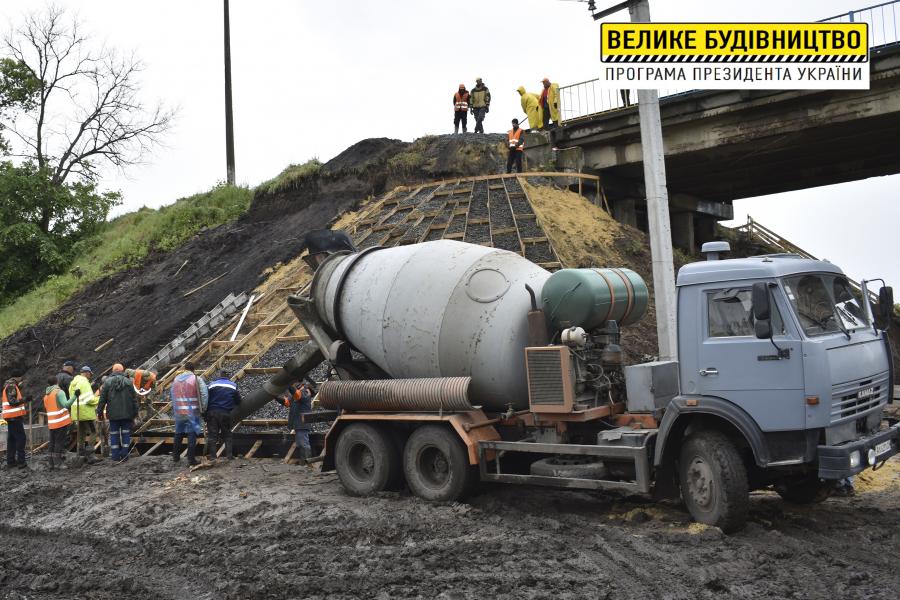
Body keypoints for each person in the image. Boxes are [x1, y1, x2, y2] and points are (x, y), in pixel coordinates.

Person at [98, 364, 139, 462]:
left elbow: (102, 399)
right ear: (122, 370)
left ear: (113, 371)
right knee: (126, 434)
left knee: (114, 434)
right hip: (127, 414)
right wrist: (135, 413)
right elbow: (134, 399)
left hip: (113, 415)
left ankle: (115, 456)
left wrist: (99, 412)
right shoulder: (128, 382)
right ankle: (124, 454)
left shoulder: (107, 383)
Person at [171, 362, 208, 466]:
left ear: (185, 368)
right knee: (191, 434)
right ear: (193, 369)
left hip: (179, 412)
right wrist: (203, 409)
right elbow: (204, 394)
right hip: (192, 412)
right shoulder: (196, 379)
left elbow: (172, 394)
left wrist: (176, 408)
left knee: (178, 433)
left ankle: (175, 456)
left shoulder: (176, 379)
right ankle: (191, 459)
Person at [205, 369, 242, 461]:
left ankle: (213, 457)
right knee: (227, 435)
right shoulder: (233, 386)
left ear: (219, 375)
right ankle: (229, 456)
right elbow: (238, 401)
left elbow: (205, 397)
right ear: (228, 376)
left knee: (212, 435)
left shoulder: (212, 384)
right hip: (225, 413)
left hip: (212, 412)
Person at [69, 365, 101, 464]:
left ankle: (80, 453)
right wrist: (99, 399)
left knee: (81, 433)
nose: (90, 376)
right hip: (86, 413)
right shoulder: (84, 382)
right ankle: (90, 454)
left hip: (77, 413)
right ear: (87, 373)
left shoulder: (73, 383)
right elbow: (89, 400)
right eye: (90, 374)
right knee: (94, 431)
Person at [43, 374, 73, 469]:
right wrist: (75, 396)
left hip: (52, 422)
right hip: (61, 422)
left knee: (52, 442)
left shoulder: (46, 395)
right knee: (59, 443)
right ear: (57, 382)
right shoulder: (59, 392)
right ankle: (58, 463)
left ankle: (51, 463)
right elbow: (66, 404)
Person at [2, 375, 31, 469]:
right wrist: (25, 399)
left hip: (11, 418)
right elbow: (13, 402)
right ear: (18, 379)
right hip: (14, 417)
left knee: (12, 440)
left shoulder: (8, 386)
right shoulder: (11, 386)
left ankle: (11, 461)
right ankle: (21, 462)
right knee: (20, 438)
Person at [284, 381, 314, 463]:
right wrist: (275, 396)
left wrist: (288, 384)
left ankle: (308, 461)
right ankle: (303, 461)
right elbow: (286, 402)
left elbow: (298, 395)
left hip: (302, 423)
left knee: (303, 444)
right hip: (298, 423)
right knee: (301, 444)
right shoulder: (296, 395)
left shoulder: (305, 391)